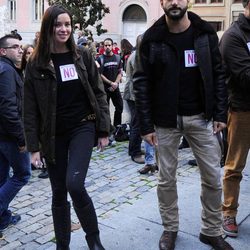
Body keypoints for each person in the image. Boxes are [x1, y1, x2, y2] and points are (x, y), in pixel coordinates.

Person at [133, 1, 233, 249]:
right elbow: (141, 81)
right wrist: (145, 125)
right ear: (162, 3)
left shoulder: (204, 33)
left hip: (202, 118)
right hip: (165, 121)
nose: (174, 2)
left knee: (212, 176)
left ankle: (210, 230)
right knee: (166, 179)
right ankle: (170, 229)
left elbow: (219, 74)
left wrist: (221, 113)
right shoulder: (152, 38)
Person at [23, 5, 110, 250]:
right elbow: (29, 110)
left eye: (67, 25)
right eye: (58, 25)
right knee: (59, 192)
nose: (63, 29)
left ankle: (93, 239)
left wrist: (103, 129)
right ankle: (63, 245)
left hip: (82, 127)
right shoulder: (36, 63)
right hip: (52, 134)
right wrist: (33, 147)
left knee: (75, 184)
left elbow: (98, 92)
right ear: (48, 27)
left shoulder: (82, 55)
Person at [219, 0, 250, 238]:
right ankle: (228, 212)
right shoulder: (233, 36)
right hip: (242, 111)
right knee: (234, 166)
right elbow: (245, 76)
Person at [0, 34, 31, 235]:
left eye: (21, 47)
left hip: (3, 135)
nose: (20, 50)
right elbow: (8, 108)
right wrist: (21, 138)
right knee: (22, 174)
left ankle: (3, 219)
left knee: (2, 177)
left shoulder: (7, 69)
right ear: (3, 51)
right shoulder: (6, 71)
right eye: (15, 47)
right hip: (9, 136)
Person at [123, 48, 145, 164]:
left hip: (134, 93)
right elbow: (139, 77)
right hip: (134, 94)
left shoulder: (137, 54)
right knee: (137, 123)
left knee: (136, 123)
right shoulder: (137, 56)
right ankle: (134, 152)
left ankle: (135, 148)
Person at [97, 38, 123, 129]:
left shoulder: (117, 57)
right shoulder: (100, 59)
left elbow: (120, 72)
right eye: (105, 45)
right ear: (103, 46)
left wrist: (115, 83)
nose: (107, 47)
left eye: (109, 45)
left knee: (120, 107)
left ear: (112, 46)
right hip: (105, 89)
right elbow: (100, 75)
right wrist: (111, 83)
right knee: (105, 110)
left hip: (115, 88)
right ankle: (109, 128)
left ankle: (117, 127)